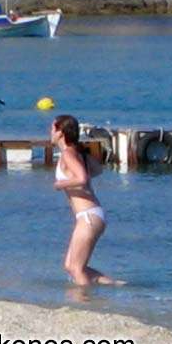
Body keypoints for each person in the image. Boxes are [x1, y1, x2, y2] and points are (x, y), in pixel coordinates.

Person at [51, 115, 121, 287]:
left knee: (76, 269)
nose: (50, 133)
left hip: (88, 216)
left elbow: (82, 178)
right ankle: (115, 285)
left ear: (60, 132)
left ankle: (84, 304)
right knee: (70, 266)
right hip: (91, 215)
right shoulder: (76, 152)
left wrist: (61, 184)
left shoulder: (68, 154)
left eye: (52, 129)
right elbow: (97, 170)